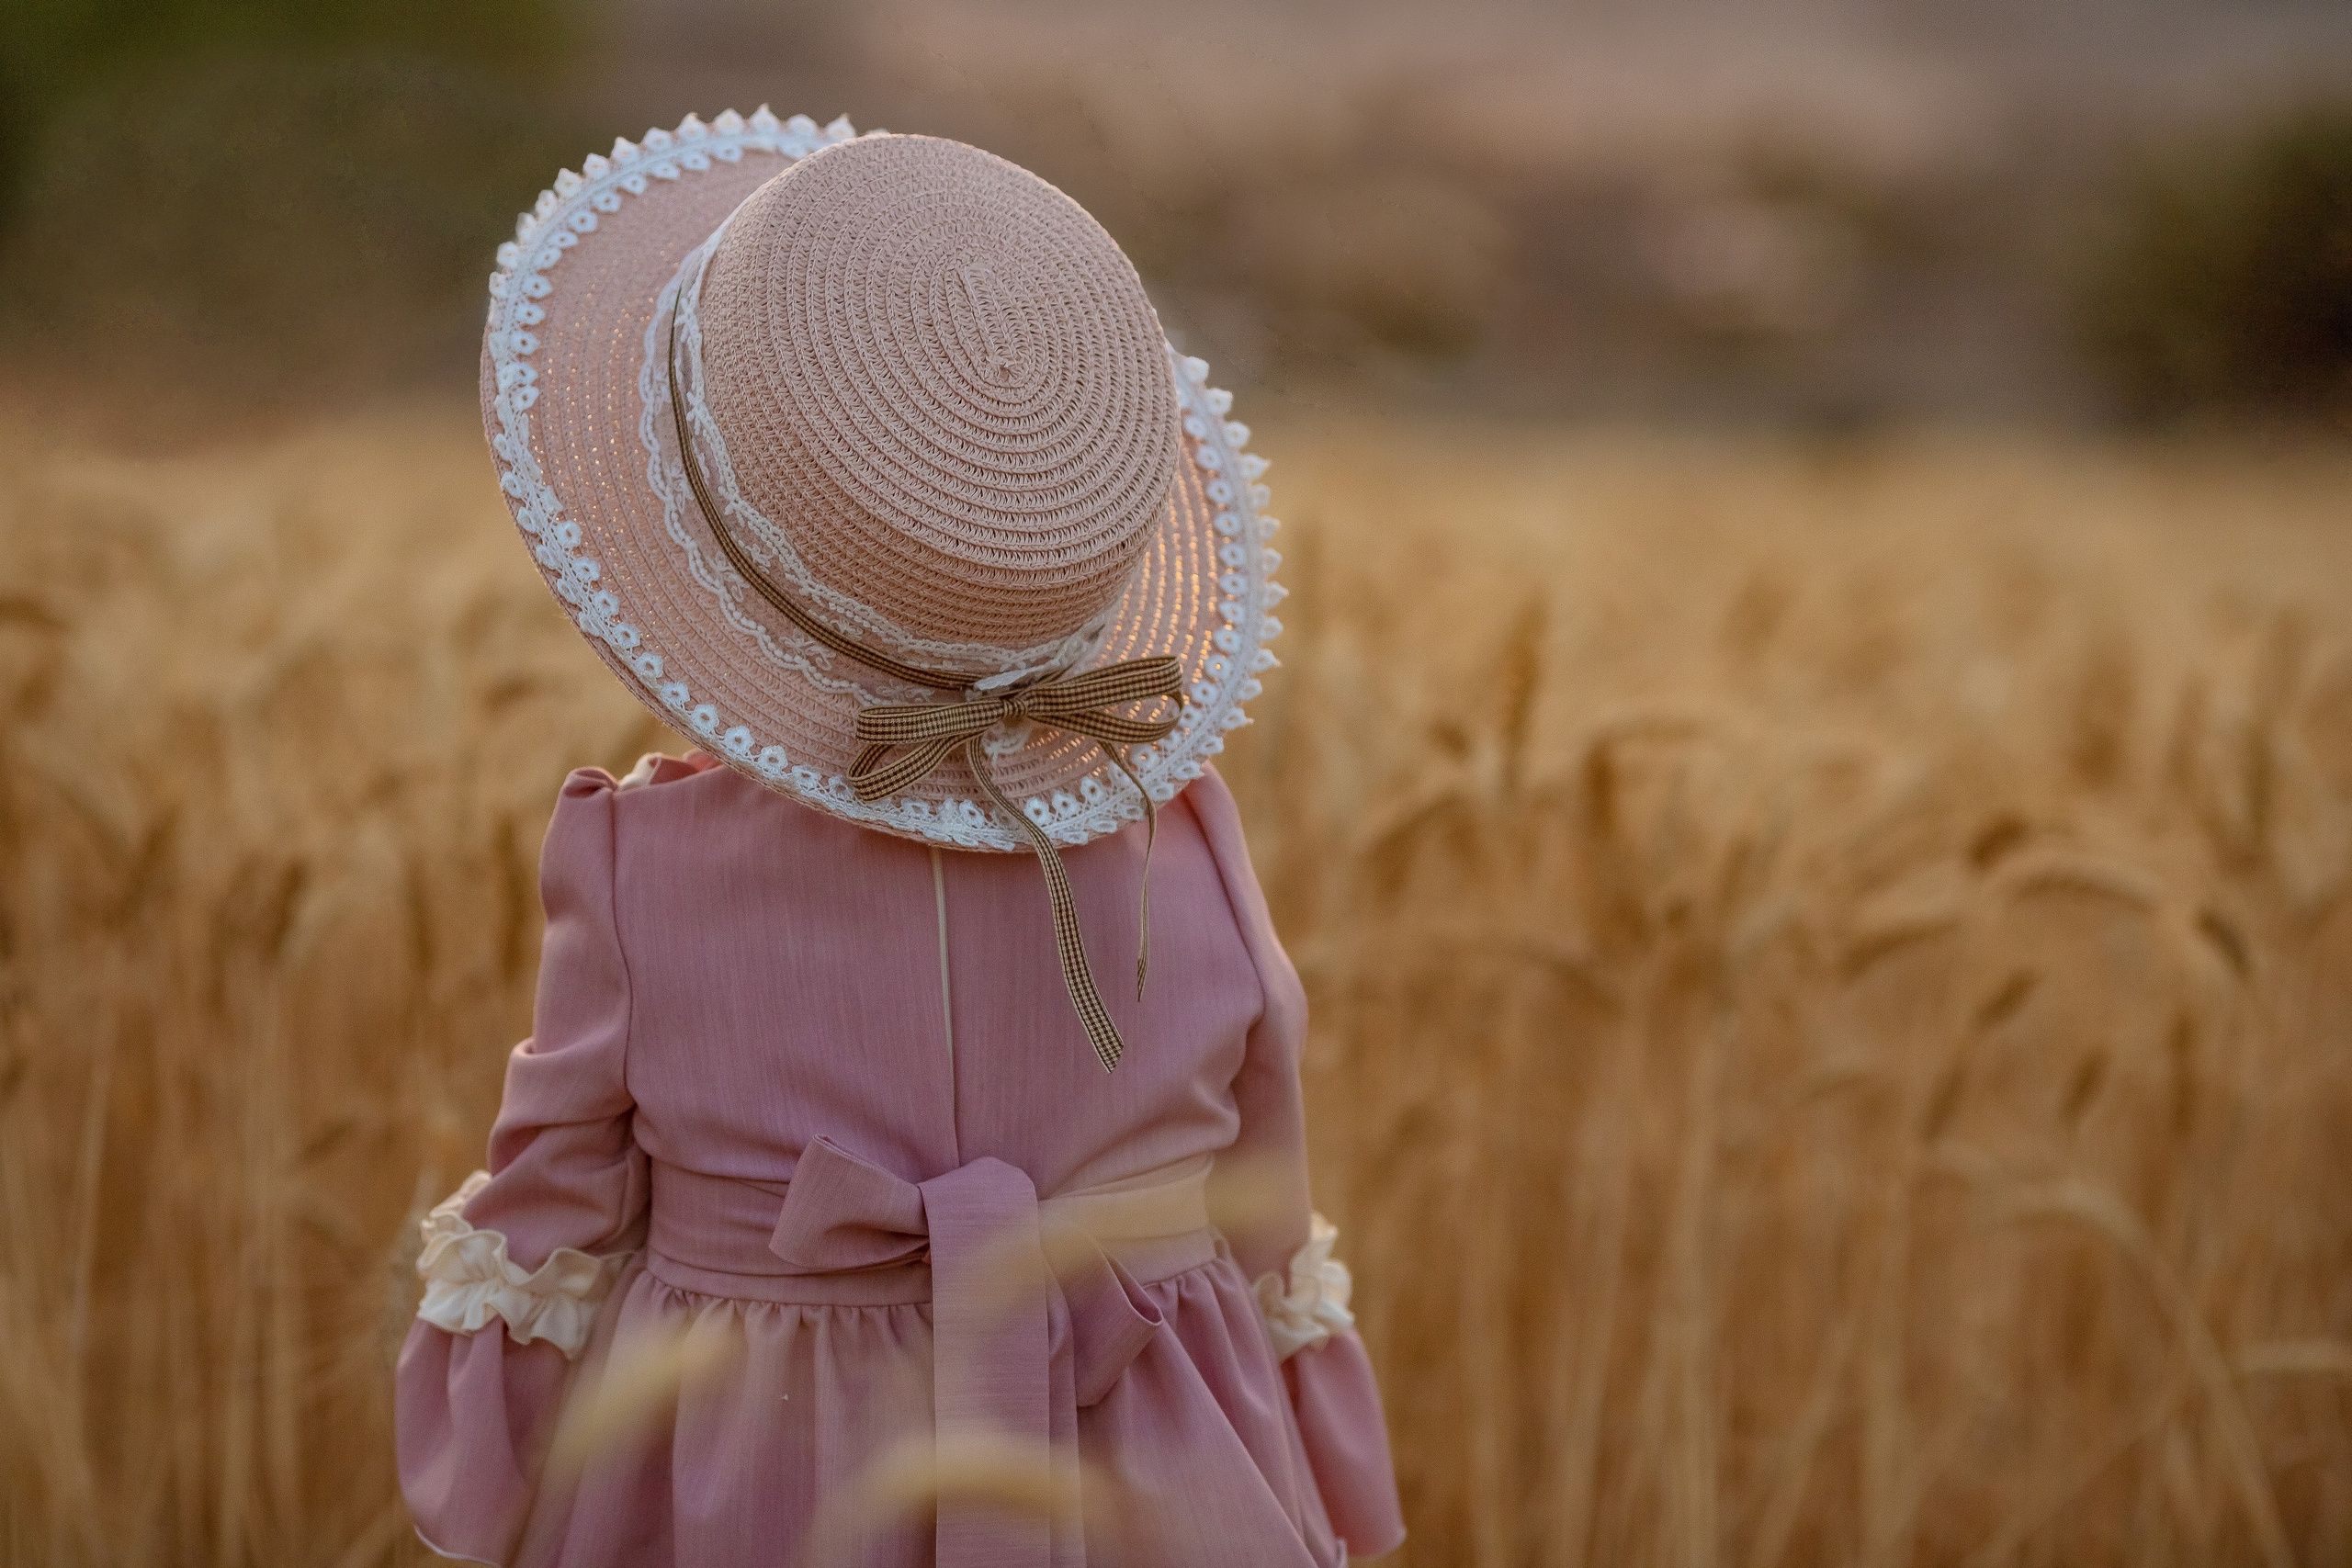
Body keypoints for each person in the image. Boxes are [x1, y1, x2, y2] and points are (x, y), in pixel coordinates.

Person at [395, 110, 1406, 1568]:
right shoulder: (1187, 838)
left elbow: (549, 1207)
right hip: (1156, 1470)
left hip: (749, 1465)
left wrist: (485, 1473)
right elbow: (1267, 1209)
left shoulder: (639, 863)